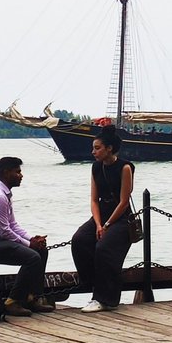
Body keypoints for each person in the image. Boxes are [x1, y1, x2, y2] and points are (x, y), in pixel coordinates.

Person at [0, 156, 54, 317]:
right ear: (6, 173)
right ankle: (13, 301)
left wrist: (32, 240)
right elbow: (5, 232)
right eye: (17, 172)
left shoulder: (5, 194)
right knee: (32, 257)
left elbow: (13, 225)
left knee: (42, 251)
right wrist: (29, 246)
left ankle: (34, 297)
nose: (21, 175)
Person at [70, 124, 136, 313]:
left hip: (121, 218)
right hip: (101, 216)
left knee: (104, 248)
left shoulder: (125, 168)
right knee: (80, 240)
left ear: (109, 148)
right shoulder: (96, 167)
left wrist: (107, 225)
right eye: (93, 148)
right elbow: (93, 200)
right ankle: (92, 286)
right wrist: (98, 224)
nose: (94, 152)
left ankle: (104, 298)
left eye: (97, 148)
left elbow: (124, 202)